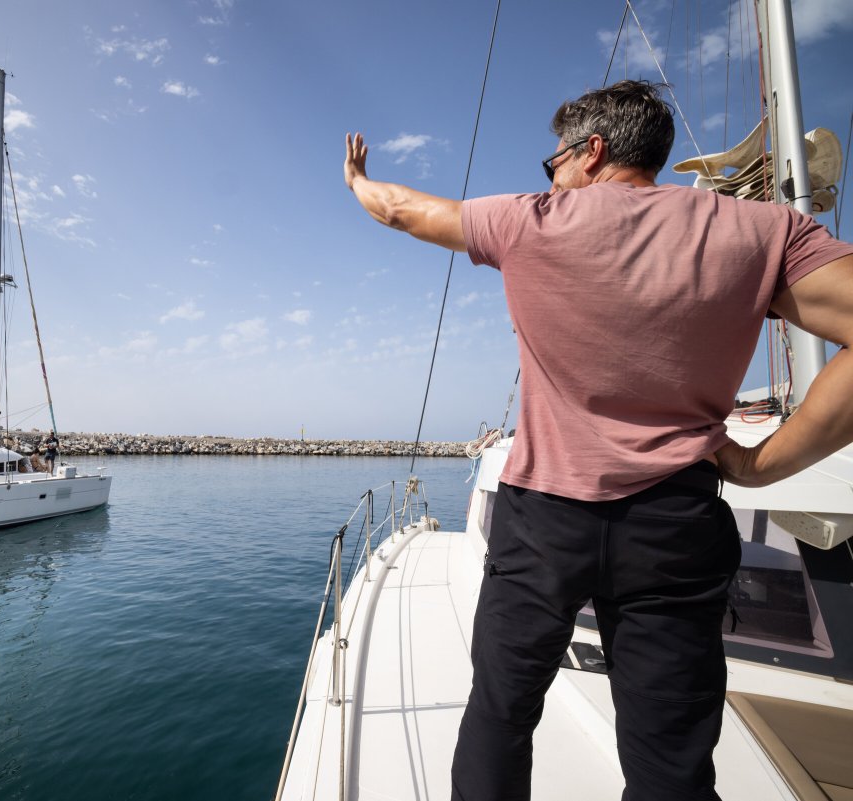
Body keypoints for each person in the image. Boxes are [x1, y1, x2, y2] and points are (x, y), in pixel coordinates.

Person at [344, 80, 853, 801]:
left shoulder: (531, 221)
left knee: (501, 712)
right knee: (671, 758)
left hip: (542, 522)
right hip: (675, 524)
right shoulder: (762, 232)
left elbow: (399, 209)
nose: (549, 176)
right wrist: (761, 465)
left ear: (592, 151)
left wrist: (358, 180)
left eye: (553, 162)